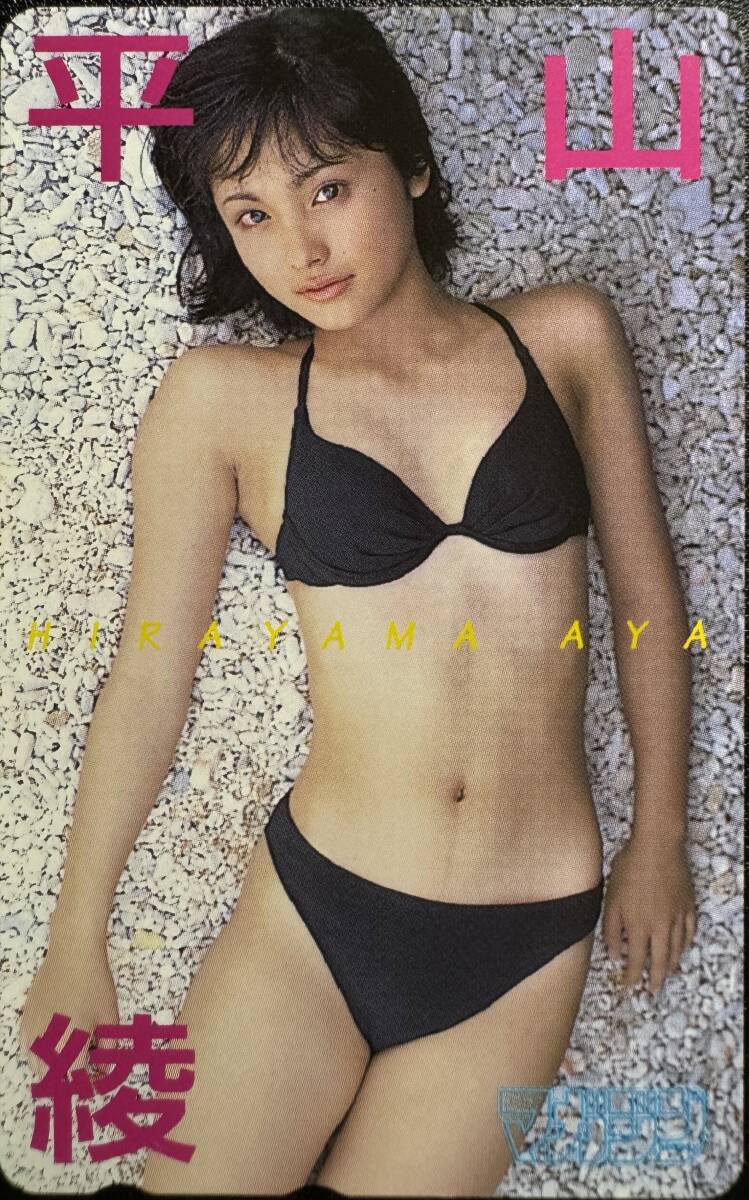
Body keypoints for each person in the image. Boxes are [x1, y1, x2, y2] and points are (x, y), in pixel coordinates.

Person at [20, 7, 697, 1195]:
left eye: (326, 187)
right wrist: (76, 939)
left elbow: (647, 603)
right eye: (250, 215)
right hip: (316, 916)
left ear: (413, 165)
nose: (300, 246)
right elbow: (150, 674)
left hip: (527, 937)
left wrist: (660, 837)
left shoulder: (564, 337)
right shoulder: (221, 402)